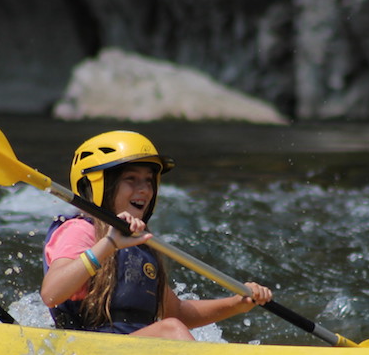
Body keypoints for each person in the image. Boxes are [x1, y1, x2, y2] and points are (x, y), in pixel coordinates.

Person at [40, 130, 273, 340]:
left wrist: (237, 304)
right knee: (169, 331)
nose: (144, 189)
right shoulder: (81, 231)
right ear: (97, 185)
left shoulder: (139, 243)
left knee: (171, 326)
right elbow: (51, 294)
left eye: (149, 181)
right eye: (131, 179)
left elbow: (177, 312)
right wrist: (109, 244)